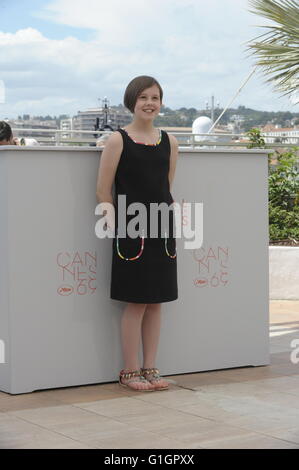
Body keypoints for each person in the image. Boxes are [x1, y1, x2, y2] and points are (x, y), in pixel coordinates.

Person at [96, 76, 179, 392]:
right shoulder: (118, 140)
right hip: (131, 231)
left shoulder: (170, 142)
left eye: (155, 97)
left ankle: (151, 368)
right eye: (143, 97)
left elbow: (166, 188)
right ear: (132, 101)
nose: (149, 103)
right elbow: (103, 191)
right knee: (136, 303)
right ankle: (129, 371)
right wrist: (117, 225)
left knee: (157, 302)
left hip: (163, 230)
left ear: (161, 102)